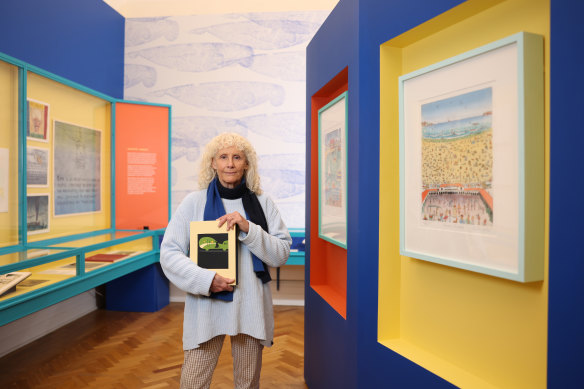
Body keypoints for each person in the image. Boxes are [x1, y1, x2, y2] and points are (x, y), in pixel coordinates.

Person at [160, 132, 291, 389]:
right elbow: (169, 253)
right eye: (223, 157)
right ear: (213, 163)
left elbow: (281, 254)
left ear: (246, 164)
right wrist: (207, 280)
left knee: (247, 383)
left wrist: (248, 229)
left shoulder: (263, 204)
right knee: (193, 382)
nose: (230, 164)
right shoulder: (193, 202)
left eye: (237, 157)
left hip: (250, 308)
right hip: (206, 307)